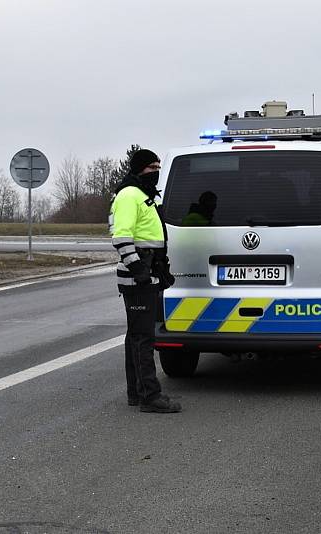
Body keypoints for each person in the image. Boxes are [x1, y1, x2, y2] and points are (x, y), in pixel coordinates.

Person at [110, 149, 180, 413]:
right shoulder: (130, 195)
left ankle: (137, 393)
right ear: (140, 168)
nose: (156, 172)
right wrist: (138, 268)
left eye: (158, 167)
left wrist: (160, 269)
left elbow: (149, 237)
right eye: (152, 167)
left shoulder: (142, 195)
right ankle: (150, 396)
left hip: (147, 273)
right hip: (137, 278)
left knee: (136, 336)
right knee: (143, 338)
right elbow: (122, 236)